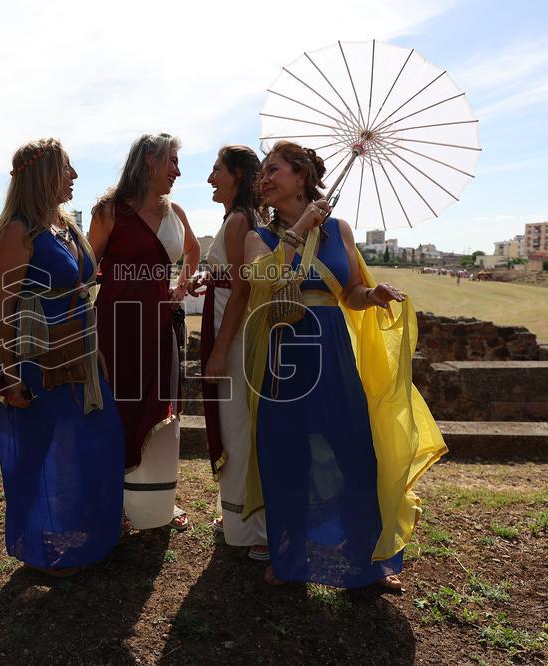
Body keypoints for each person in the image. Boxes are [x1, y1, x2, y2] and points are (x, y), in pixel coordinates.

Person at [241, 141, 446, 590]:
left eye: (274, 169)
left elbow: (350, 291)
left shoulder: (339, 228)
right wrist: (297, 230)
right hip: (288, 355)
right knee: (285, 454)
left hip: (333, 351)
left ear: (300, 175)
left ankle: (367, 560)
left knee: (355, 452)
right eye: (262, 174)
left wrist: (372, 296)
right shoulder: (259, 236)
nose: (265, 179)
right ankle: (288, 558)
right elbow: (262, 277)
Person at [0, 137, 124, 575]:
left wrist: (92, 350)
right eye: (67, 169)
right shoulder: (18, 232)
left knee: (97, 441)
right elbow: (3, 307)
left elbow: (82, 286)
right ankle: (44, 546)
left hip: (79, 352)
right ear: (44, 177)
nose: (74, 177)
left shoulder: (65, 226)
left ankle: (82, 534)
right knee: (46, 451)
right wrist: (8, 374)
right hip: (39, 360)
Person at [89, 132, 200, 531]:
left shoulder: (176, 212)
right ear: (149, 160)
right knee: (116, 407)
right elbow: (86, 270)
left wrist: (181, 287)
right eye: (171, 160)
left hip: (159, 325)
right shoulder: (109, 210)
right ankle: (109, 505)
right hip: (115, 326)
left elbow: (193, 251)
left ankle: (152, 504)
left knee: (158, 408)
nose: (177, 170)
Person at [195, 145, 268, 560]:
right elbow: (231, 281)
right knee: (234, 422)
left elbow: (242, 290)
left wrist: (220, 351)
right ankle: (238, 513)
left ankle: (250, 524)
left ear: (237, 174)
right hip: (225, 325)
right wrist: (211, 283)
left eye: (217, 170)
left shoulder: (240, 219)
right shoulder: (236, 219)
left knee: (236, 424)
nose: (210, 178)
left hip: (234, 336)